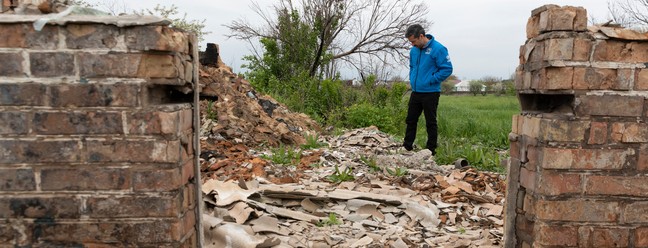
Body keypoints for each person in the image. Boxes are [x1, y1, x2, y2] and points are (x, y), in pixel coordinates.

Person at [403, 24, 453, 156]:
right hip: (416, 91)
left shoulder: (438, 49)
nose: (412, 44)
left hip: (430, 92)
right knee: (410, 119)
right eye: (410, 42)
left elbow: (447, 69)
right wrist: (413, 79)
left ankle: (431, 150)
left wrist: (431, 80)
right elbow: (412, 66)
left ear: (421, 36)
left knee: (430, 121)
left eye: (413, 41)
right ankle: (407, 147)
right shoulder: (414, 51)